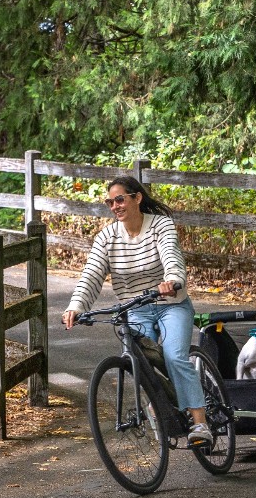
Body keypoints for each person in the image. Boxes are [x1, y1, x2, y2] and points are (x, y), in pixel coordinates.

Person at [61, 176, 212, 447]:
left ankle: (200, 422)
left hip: (170, 305)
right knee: (138, 360)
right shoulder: (107, 237)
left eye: (120, 199)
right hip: (136, 309)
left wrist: (173, 280)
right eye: (110, 202)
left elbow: (171, 255)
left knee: (175, 357)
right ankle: (161, 406)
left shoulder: (160, 225)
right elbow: (92, 275)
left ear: (137, 198)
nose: (115, 206)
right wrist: (76, 306)